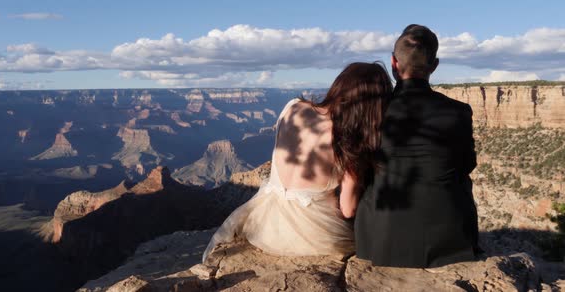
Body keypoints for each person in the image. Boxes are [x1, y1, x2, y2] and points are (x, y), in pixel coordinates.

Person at [202, 62, 393, 262]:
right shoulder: (348, 139)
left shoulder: (293, 107)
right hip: (315, 234)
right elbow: (348, 208)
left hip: (267, 223)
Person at [354, 24, 480, 268]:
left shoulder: (373, 110)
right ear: (434, 66)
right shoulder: (458, 111)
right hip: (451, 239)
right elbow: (467, 165)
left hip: (380, 237)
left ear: (393, 63)